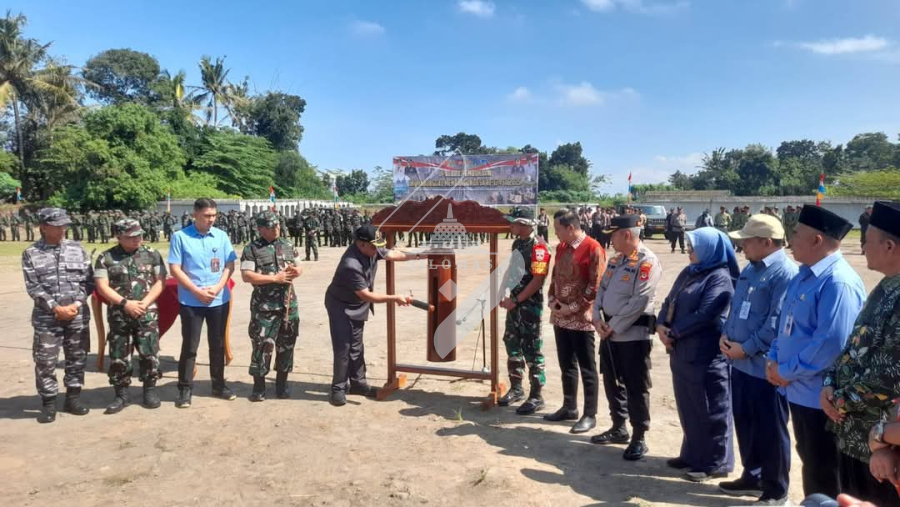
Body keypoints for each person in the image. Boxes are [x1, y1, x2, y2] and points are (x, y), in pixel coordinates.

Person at [767, 205, 866, 499]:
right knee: (812, 465)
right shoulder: (804, 275)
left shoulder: (837, 282)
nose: (790, 240)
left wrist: (785, 371)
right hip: (798, 390)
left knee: (826, 474)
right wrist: (774, 359)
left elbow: (830, 345)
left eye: (796, 234)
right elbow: (785, 324)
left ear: (816, 240)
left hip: (821, 398)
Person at [822, 201, 900, 505]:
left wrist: (838, 401)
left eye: (867, 241)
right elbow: (853, 346)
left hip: (882, 452)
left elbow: (888, 376)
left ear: (890, 246)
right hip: (855, 435)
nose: (863, 248)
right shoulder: (886, 287)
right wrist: (829, 383)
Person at [717, 214, 798, 504]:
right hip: (739, 363)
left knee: (771, 429)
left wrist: (747, 348)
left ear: (767, 242)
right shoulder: (751, 268)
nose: (742, 246)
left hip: (765, 368)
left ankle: (776, 489)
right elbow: (736, 307)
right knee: (746, 423)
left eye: (747, 241)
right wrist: (726, 335)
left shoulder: (785, 274)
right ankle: (752, 476)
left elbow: (776, 322)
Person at [657, 227, 738, 482]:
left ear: (709, 249)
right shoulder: (690, 272)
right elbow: (669, 301)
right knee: (689, 406)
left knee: (712, 409)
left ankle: (716, 462)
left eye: (694, 246)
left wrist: (674, 332)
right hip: (682, 352)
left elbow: (706, 314)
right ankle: (692, 454)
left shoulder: (719, 277)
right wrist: (661, 325)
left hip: (706, 354)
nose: (689, 250)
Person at [590, 214, 661, 461]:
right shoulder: (616, 260)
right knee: (611, 382)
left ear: (627, 235)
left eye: (613, 235)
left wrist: (612, 326)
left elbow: (640, 300)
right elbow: (601, 290)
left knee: (635, 386)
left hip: (632, 336)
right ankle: (618, 427)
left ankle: (639, 436)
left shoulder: (647, 261)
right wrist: (597, 318)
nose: (611, 240)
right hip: (608, 333)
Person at [324, 225, 417, 407]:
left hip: (357, 304)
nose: (377, 250)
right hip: (341, 306)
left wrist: (421, 255)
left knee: (356, 346)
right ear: (361, 244)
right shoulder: (351, 264)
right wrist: (395, 298)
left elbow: (393, 254)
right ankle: (338, 389)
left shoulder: (370, 248)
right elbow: (366, 295)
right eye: (374, 246)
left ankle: (358, 384)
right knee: (343, 347)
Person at [22, 208, 94, 423]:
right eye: (57, 226)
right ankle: (49, 404)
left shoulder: (77, 249)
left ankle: (73, 399)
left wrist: (76, 304)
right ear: (44, 227)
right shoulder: (31, 253)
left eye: (64, 225)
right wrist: (56, 308)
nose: (62, 229)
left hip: (77, 314)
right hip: (47, 318)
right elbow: (33, 287)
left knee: (77, 358)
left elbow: (88, 281)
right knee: (45, 361)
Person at [168, 198, 237, 408]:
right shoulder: (180, 237)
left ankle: (218, 385)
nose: (211, 219)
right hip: (192, 301)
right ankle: (185, 389)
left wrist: (217, 288)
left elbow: (229, 265)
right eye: (207, 216)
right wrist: (196, 291)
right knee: (190, 345)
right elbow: (175, 268)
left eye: (214, 215)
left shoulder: (221, 236)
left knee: (217, 344)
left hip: (218, 300)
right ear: (195, 215)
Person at [93, 219, 167, 414]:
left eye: (139, 235)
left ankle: (149, 391)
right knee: (119, 356)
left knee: (150, 352)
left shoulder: (152, 254)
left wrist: (146, 302)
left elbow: (160, 281)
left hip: (146, 313)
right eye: (131, 236)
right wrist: (125, 304)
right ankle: (121, 395)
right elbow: (101, 286)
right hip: (120, 314)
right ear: (119, 236)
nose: (137, 239)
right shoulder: (106, 257)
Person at [544, 209, 606, 434]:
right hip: (560, 316)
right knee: (566, 364)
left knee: (587, 367)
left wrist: (572, 307)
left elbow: (595, 285)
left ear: (571, 228)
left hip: (582, 319)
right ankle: (569, 406)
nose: (556, 233)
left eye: (558, 229)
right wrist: (552, 299)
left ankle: (590, 414)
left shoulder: (593, 248)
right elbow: (555, 276)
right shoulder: (561, 247)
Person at [240, 210, 302, 402]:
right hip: (264, 307)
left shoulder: (287, 244)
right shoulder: (252, 248)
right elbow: (247, 276)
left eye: (277, 225)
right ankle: (259, 387)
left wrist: (295, 270)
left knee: (287, 346)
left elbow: (299, 266)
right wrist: (275, 278)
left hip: (288, 305)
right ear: (260, 229)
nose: (276, 228)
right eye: (270, 226)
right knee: (261, 346)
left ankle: (282, 385)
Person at [497, 208, 551, 415]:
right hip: (514, 304)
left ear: (525, 224)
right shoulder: (517, 243)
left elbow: (538, 280)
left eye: (514, 223)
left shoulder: (539, 247)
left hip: (529, 306)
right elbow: (511, 270)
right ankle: (516, 388)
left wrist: (516, 300)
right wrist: (501, 291)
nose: (510, 226)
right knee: (512, 343)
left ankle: (536, 395)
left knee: (532, 348)